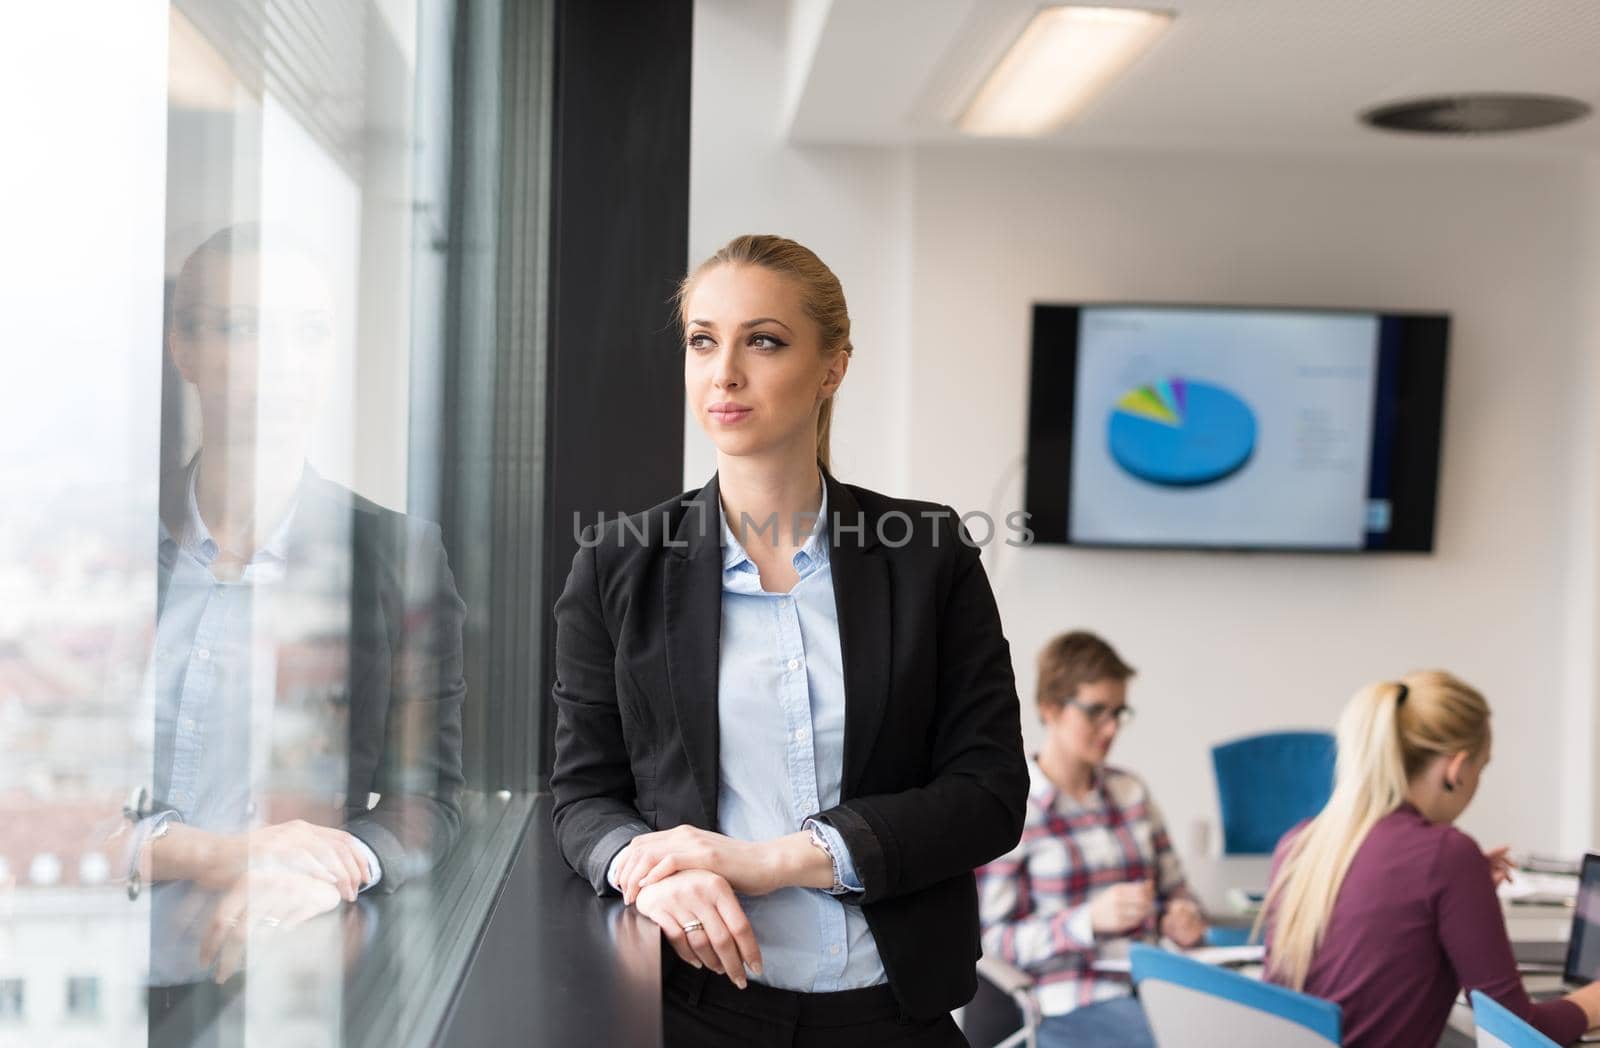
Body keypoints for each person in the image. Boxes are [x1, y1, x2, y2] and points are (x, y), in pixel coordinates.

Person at [549, 233, 1030, 1047]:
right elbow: (582, 796)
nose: (723, 373)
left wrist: (773, 860)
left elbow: (988, 796)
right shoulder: (617, 564)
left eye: (762, 341)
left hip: (896, 1012)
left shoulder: (929, 554)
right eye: (703, 341)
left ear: (833, 366)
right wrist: (642, 869)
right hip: (697, 1012)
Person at [123, 225, 466, 1046]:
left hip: (292, 993)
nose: (280, 362)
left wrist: (328, 874)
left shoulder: (395, 556)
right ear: (184, 346)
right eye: (244, 327)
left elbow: (433, 803)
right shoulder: (107, 546)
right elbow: (38, 811)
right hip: (92, 981)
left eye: (306, 332)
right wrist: (231, 854)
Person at [1261, 671, 1600, 1046]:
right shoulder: (1447, 854)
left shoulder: (1301, 842)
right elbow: (1517, 1031)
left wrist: (1463, 896)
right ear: (1456, 769)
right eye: (1481, 768)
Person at [976, 631, 1205, 1048]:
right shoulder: (1013, 808)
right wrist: (1087, 921)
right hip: (1071, 998)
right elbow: (991, 943)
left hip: (1155, 985)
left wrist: (1184, 917)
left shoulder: (1132, 793)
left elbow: (1179, 893)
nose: (1112, 727)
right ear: (1051, 708)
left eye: (1119, 712)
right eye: (1096, 711)